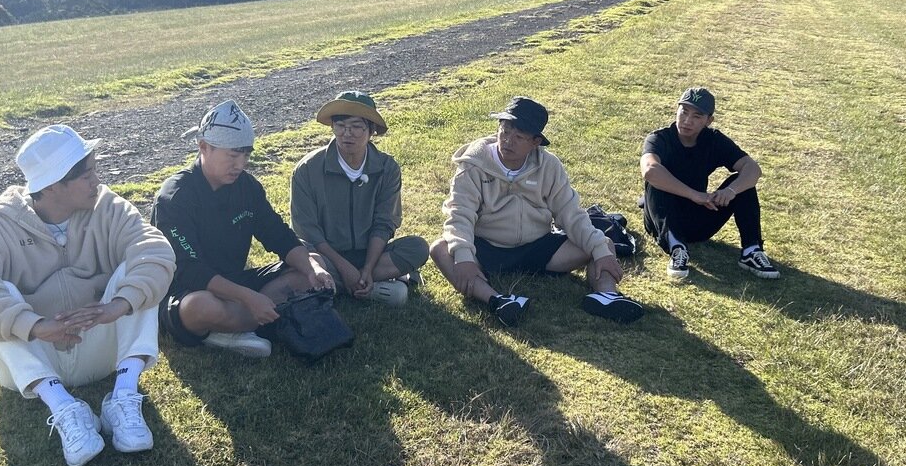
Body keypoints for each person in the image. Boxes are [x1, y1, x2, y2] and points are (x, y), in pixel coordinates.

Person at [0, 125, 176, 466]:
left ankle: (124, 394)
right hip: (34, 364)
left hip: (101, 350)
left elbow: (155, 249)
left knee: (139, 271)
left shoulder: (108, 206)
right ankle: (62, 406)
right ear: (53, 185)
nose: (97, 181)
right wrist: (37, 326)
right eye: (87, 175)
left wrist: (117, 306)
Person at [430, 96, 644, 326]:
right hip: (486, 248)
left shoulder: (549, 166)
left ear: (535, 142)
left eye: (518, 136)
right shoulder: (472, 165)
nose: (508, 141)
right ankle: (498, 301)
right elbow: (459, 215)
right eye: (505, 131)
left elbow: (570, 214)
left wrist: (601, 251)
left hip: (538, 248)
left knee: (603, 243)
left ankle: (607, 296)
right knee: (441, 249)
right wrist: (463, 257)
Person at [152, 99, 336, 358]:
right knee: (200, 306)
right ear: (203, 147)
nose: (240, 164)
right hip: (187, 292)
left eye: (246, 155)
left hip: (235, 284)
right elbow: (189, 270)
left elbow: (278, 235)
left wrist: (313, 270)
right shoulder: (175, 196)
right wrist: (250, 298)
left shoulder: (247, 188)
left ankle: (236, 326)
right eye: (232, 155)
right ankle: (258, 320)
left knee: (311, 264)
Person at [290, 90, 429, 307]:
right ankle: (376, 286)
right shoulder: (307, 169)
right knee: (299, 259)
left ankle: (345, 285)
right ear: (332, 127)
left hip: (371, 255)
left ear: (371, 130)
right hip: (326, 256)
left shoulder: (387, 168)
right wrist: (345, 269)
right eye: (341, 125)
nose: (348, 133)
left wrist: (366, 268)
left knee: (418, 247)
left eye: (356, 126)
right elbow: (307, 230)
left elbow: (384, 223)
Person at [640, 87, 780, 281]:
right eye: (684, 112)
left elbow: (752, 168)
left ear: (708, 120)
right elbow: (650, 170)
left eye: (697, 116)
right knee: (657, 179)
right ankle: (677, 249)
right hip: (663, 219)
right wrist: (694, 194)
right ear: (677, 110)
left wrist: (731, 191)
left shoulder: (713, 140)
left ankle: (751, 250)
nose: (688, 120)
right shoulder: (660, 138)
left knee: (743, 185)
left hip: (698, 219)